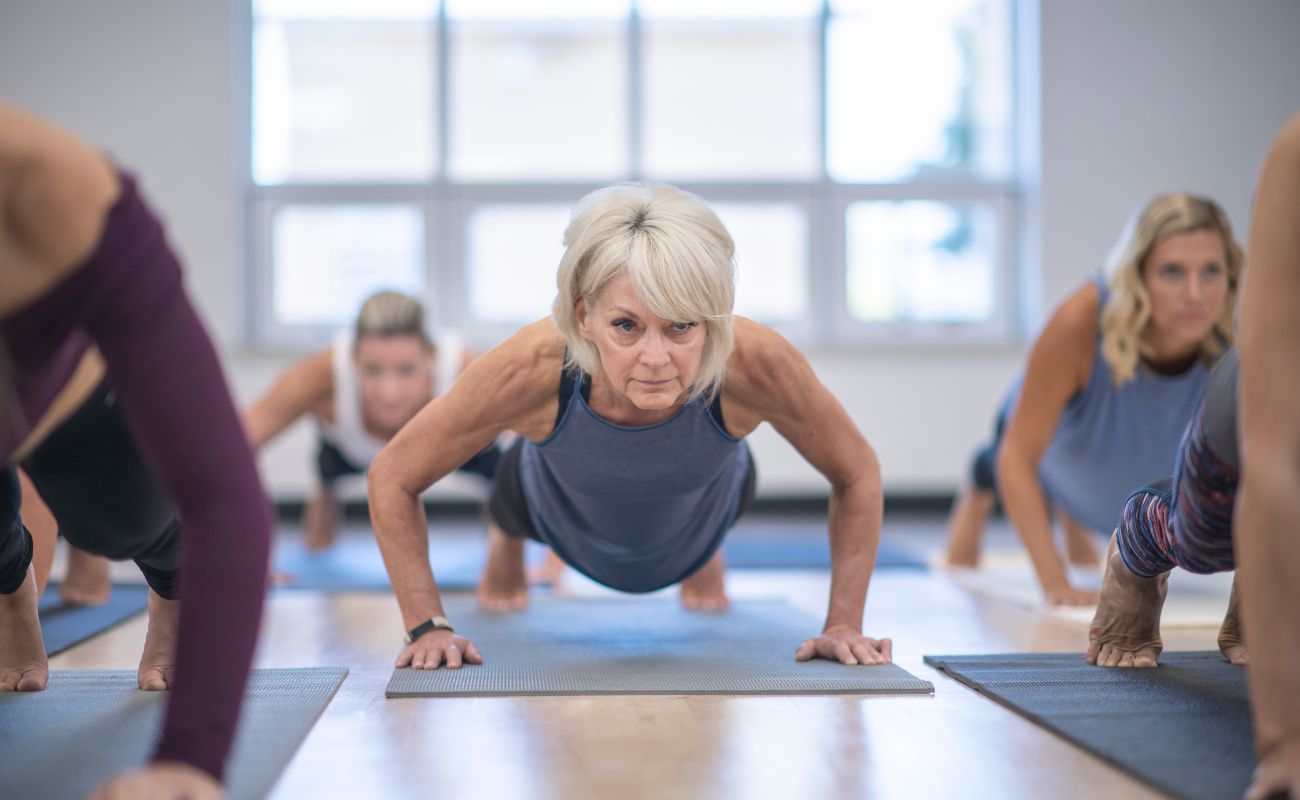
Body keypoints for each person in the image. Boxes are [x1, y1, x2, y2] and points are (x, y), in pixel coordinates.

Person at [369, 182, 891, 670]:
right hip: (547, 507)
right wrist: (426, 627)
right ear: (583, 317)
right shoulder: (528, 368)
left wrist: (844, 623)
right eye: (626, 326)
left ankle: (701, 551)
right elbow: (393, 475)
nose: (655, 358)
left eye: (680, 326)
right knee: (514, 472)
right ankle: (507, 538)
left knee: (724, 467)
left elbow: (856, 471)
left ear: (712, 320)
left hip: (707, 497)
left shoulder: (754, 363)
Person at [0, 102, 270, 798]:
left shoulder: (54, 187)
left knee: (116, 526)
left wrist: (190, 759)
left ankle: (165, 585)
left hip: (58, 406)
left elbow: (224, 498)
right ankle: (11, 591)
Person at [1088, 112, 1300, 800]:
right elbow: (1274, 454)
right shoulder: (1296, 153)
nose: (1193, 288)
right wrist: (1283, 746)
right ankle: (1137, 545)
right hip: (1257, 409)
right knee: (1206, 539)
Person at [944, 192, 1243, 605]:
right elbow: (1017, 458)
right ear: (1137, 274)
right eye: (1172, 271)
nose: (1195, 293)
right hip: (1053, 444)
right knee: (985, 494)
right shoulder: (1078, 319)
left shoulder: (1240, 327)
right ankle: (981, 478)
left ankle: (1071, 517)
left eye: (1211, 271)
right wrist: (1055, 585)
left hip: (1120, 467)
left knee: (1088, 547)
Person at [242, 290, 500, 552]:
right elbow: (235, 449)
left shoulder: (466, 371)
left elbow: (537, 443)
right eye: (372, 371)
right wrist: (248, 553)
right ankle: (322, 509)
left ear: (430, 359)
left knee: (502, 477)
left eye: (406, 370)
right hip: (349, 448)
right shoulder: (320, 375)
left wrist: (543, 558)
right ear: (354, 360)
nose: (390, 394)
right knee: (324, 493)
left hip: (451, 448)